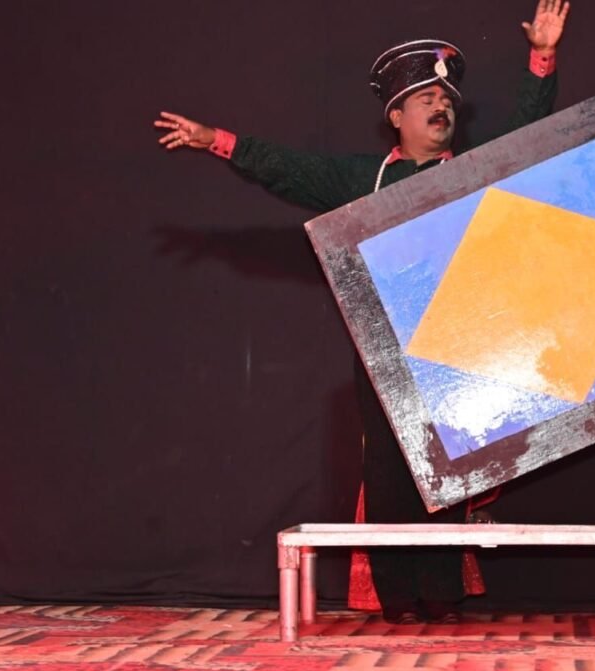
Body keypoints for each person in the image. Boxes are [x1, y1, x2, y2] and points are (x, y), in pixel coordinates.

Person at [155, 0, 571, 624]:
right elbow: (288, 169)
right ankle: (398, 598)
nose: (441, 107)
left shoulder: (476, 171)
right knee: (388, 472)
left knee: (448, 473)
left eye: (447, 99)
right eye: (426, 99)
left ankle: (440, 595)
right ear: (396, 116)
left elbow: (529, 131)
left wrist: (542, 57)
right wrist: (213, 140)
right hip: (386, 353)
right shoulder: (364, 178)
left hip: (459, 348)